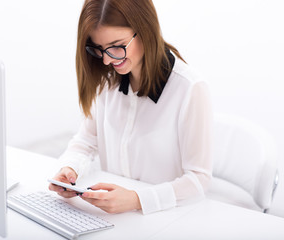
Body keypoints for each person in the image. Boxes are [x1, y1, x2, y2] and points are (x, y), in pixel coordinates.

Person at [49, 0, 213, 214]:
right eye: (99, 49)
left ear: (145, 29)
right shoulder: (107, 80)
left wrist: (137, 200)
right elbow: (85, 142)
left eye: (117, 46)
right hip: (113, 217)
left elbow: (199, 180)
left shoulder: (190, 88)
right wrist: (69, 169)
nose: (107, 60)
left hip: (168, 216)